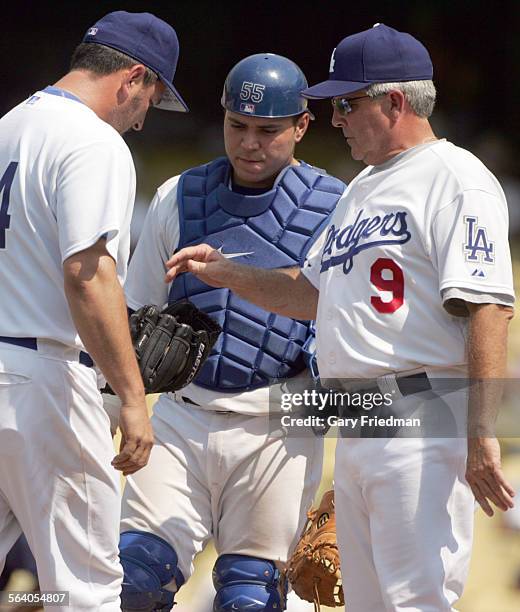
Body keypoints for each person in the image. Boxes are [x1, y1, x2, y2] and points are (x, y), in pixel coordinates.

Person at [166, 24, 517, 611]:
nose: (336, 118)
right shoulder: (362, 189)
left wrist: (482, 433)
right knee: (366, 603)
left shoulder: (457, 180)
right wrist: (227, 273)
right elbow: (310, 292)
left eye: (347, 103)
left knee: (417, 599)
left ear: (395, 102)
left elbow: (489, 308)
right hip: (360, 417)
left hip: (423, 412)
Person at [115, 54, 346, 611]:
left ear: (302, 126)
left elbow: (356, 326)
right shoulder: (179, 195)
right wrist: (122, 405)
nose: (249, 143)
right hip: (181, 414)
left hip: (278, 425)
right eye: (236, 125)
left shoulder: (339, 207)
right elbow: (134, 309)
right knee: (135, 580)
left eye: (268, 130)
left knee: (249, 596)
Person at [0, 10, 188, 611]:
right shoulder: (92, 139)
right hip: (46, 379)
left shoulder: (10, 125)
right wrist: (132, 396)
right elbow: (89, 274)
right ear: (132, 77)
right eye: (150, 101)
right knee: (85, 591)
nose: (141, 119)